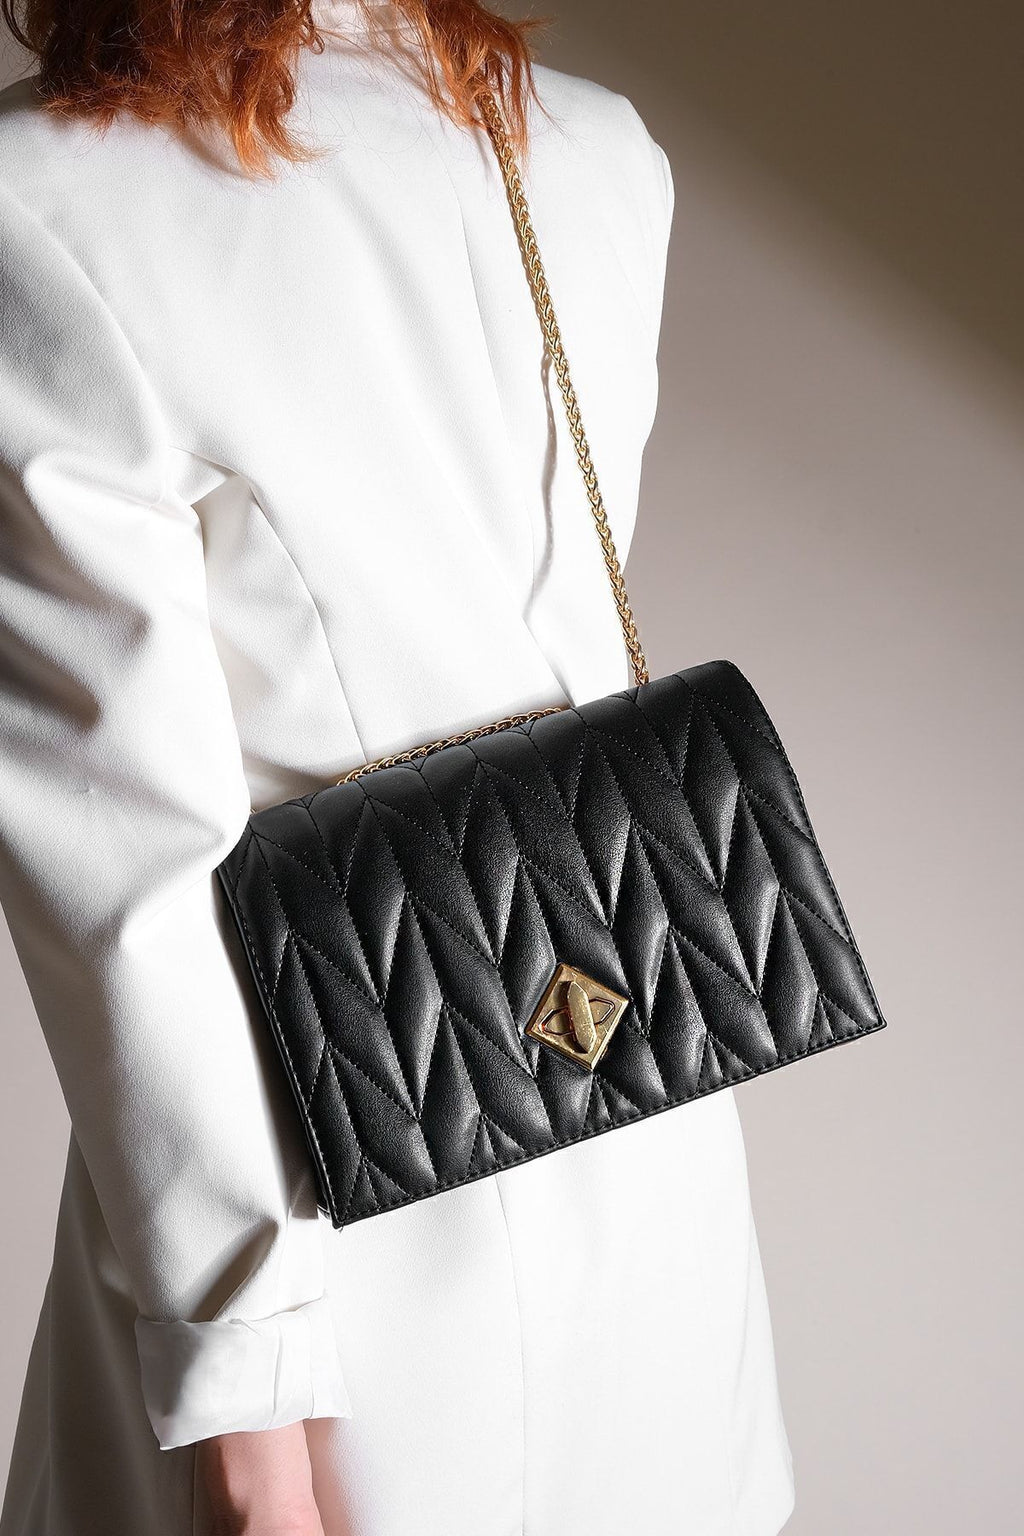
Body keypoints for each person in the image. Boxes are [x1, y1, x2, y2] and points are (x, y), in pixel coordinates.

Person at [0, 1, 796, 1532]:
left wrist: (244, 1401)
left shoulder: (40, 209)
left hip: (317, 1226)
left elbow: (126, 876)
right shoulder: (591, 147)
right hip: (649, 1129)